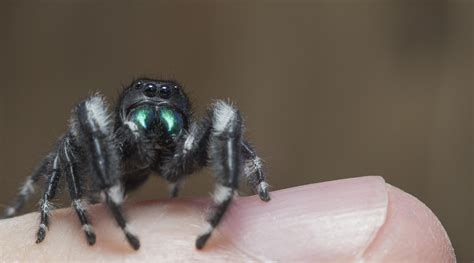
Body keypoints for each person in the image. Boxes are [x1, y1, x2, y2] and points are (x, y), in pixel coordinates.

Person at [0, 176, 455, 262]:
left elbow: (226, 121)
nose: (154, 117)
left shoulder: (191, 136)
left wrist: (246, 187)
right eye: (142, 111)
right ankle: (43, 207)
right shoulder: (103, 131)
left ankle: (226, 218)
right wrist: (51, 205)